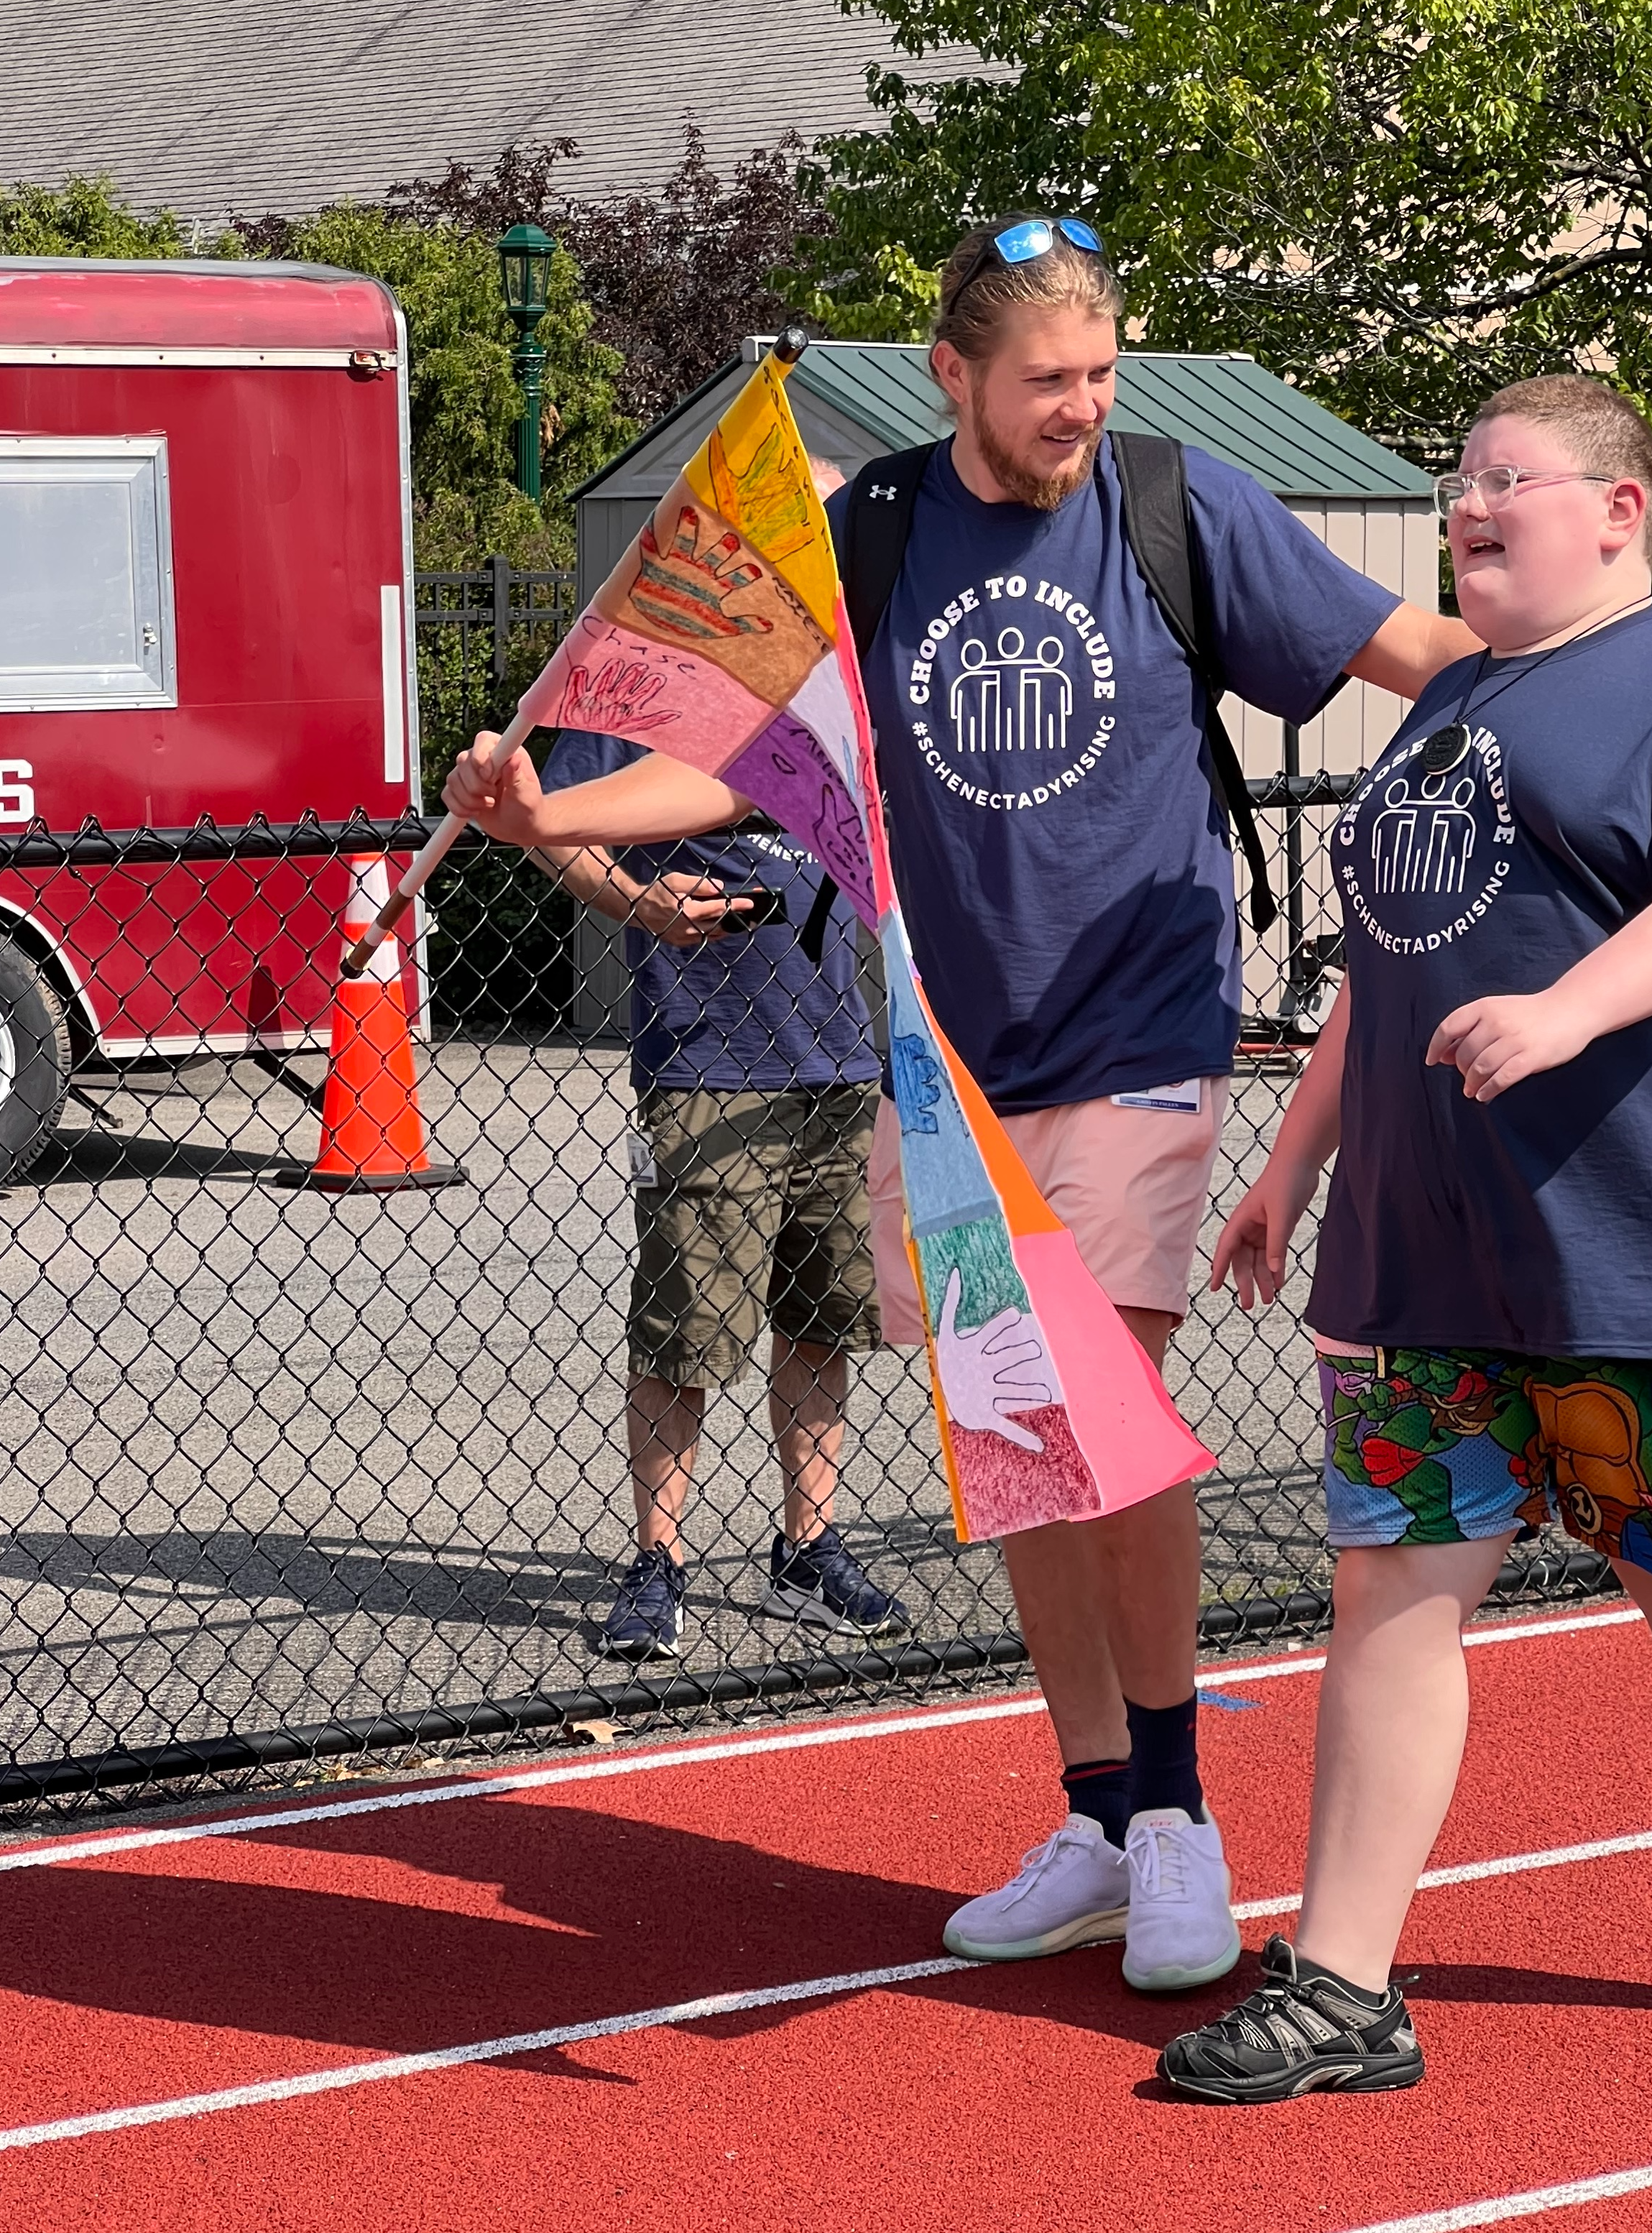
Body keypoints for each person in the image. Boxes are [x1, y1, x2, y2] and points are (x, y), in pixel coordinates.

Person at [443, 216, 1479, 1994]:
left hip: (1143, 1031)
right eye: (1047, 380)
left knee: (1107, 1408)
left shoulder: (1176, 500)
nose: (1083, 404)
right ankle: (1092, 1810)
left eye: (1101, 372)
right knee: (1019, 1450)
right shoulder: (876, 531)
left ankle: (1172, 1815)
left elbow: (1415, 647)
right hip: (945, 1065)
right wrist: (553, 820)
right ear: (953, 377)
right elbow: (743, 755)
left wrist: (1614, 681)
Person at [1156, 374, 1652, 2103]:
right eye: (1456, 480)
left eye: (1506, 478)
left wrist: (1562, 1012)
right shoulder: (1442, 702)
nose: (1467, 502)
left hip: (1642, 1239)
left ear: (1618, 511)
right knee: (1392, 1583)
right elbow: (1390, 962)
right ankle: (1342, 1980)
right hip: (1425, 1247)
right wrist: (1293, 1161)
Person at [528, 707, 909, 1658]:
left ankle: (806, 1546)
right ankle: (659, 1561)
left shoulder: (833, 686)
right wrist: (634, 901)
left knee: (822, 1320)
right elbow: (551, 826)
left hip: (838, 1058)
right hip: (706, 1066)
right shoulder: (638, 688)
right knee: (682, 1333)